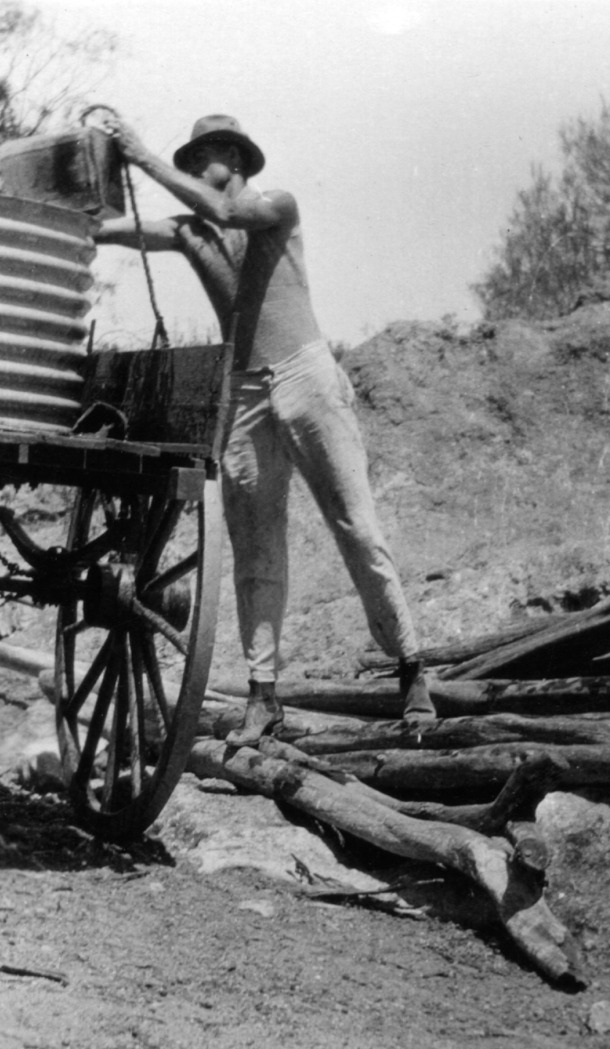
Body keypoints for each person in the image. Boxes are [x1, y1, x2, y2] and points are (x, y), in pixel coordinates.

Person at [92, 112, 436, 742]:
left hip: (306, 375)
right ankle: (263, 696)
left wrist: (140, 154)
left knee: (357, 527)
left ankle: (410, 669)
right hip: (244, 392)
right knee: (254, 545)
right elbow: (112, 230)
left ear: (238, 159)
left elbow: (228, 216)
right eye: (188, 158)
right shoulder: (188, 228)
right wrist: (89, 181)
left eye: (206, 156)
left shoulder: (276, 204)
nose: (196, 166)